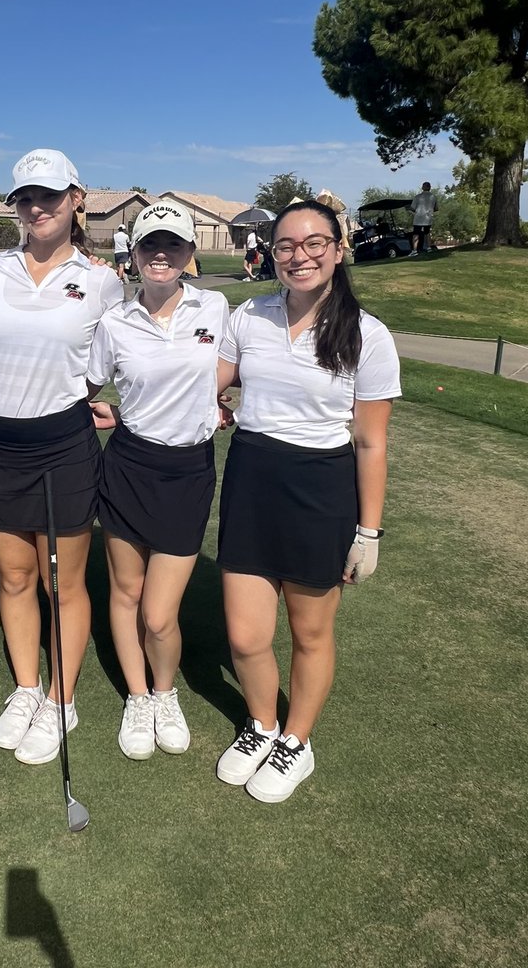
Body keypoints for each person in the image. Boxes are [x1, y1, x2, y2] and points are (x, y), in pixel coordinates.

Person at [214, 200, 400, 803]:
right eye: (287, 245)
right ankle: (262, 724)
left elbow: (371, 442)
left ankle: (297, 739)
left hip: (321, 488)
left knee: (309, 633)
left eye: (315, 242)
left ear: (338, 249)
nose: (300, 255)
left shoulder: (367, 335)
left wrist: (368, 532)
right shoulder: (250, 317)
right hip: (251, 477)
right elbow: (204, 385)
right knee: (245, 636)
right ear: (272, 253)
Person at [0, 149, 124, 765]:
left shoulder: (105, 280)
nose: (37, 208)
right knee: (13, 575)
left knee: (62, 581)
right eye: (26, 198)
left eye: (50, 196)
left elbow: (124, 356)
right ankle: (27, 688)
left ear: (76, 199)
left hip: (62, 443)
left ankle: (63, 698)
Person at [87, 203, 229, 759]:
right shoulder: (115, 322)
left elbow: (242, 366)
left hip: (188, 471)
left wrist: (222, 402)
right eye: (150, 246)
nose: (161, 255)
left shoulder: (216, 309)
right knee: (125, 593)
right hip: (128, 467)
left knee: (159, 612)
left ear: (190, 255)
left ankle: (165, 693)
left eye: (172, 245)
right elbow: (87, 385)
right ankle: (139, 697)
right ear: (135, 255)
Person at [409, 182, 438, 255]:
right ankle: (429, 248)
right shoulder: (433, 197)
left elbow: (412, 208)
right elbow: (436, 208)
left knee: (416, 234)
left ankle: (414, 251)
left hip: (418, 218)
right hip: (428, 218)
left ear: (422, 187)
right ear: (430, 187)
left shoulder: (418, 197)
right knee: (427, 233)